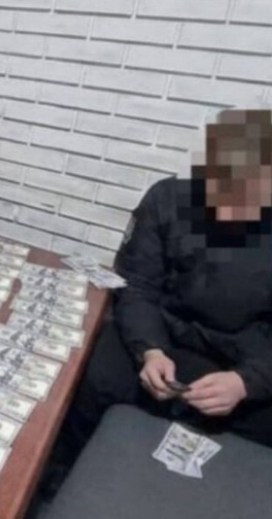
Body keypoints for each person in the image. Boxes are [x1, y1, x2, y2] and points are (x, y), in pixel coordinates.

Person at [50, 109, 272, 490]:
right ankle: (59, 484)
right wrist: (150, 351)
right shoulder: (167, 198)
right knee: (94, 375)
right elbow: (136, 285)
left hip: (244, 359)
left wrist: (245, 383)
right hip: (163, 335)